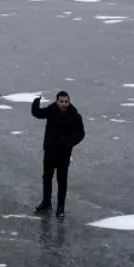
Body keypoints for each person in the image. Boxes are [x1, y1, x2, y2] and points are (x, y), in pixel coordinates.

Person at [31, 90, 85, 219]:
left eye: (66, 102)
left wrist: (69, 143)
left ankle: (60, 208)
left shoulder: (75, 115)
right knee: (47, 177)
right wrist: (35, 102)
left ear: (69, 102)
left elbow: (81, 133)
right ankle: (46, 203)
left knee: (61, 180)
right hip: (50, 150)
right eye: (61, 101)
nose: (63, 104)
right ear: (57, 101)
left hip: (64, 153)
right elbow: (37, 113)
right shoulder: (51, 110)